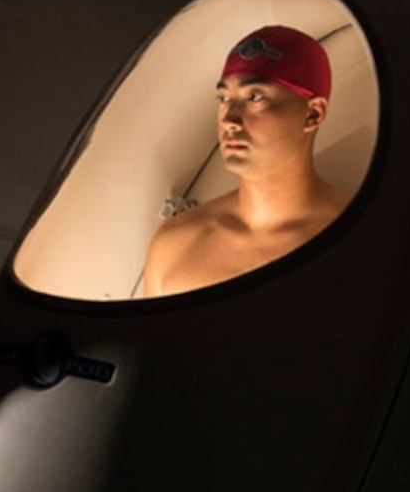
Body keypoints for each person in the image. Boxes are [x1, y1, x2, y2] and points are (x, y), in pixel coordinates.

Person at [142, 25, 349, 296]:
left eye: (254, 97)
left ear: (313, 114)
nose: (229, 119)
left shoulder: (355, 239)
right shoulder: (174, 243)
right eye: (224, 98)